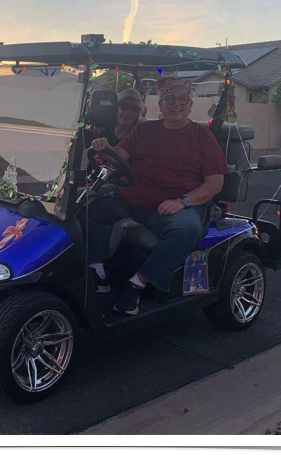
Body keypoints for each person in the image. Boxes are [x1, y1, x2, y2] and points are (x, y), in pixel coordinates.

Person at [86, 76, 230, 316]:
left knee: (187, 230)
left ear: (190, 105)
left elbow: (215, 183)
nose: (176, 103)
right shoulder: (145, 129)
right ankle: (97, 271)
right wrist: (103, 148)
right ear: (159, 105)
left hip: (171, 206)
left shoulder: (202, 136)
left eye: (182, 99)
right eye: (168, 99)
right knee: (86, 201)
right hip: (130, 199)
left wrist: (181, 202)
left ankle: (137, 285)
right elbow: (119, 154)